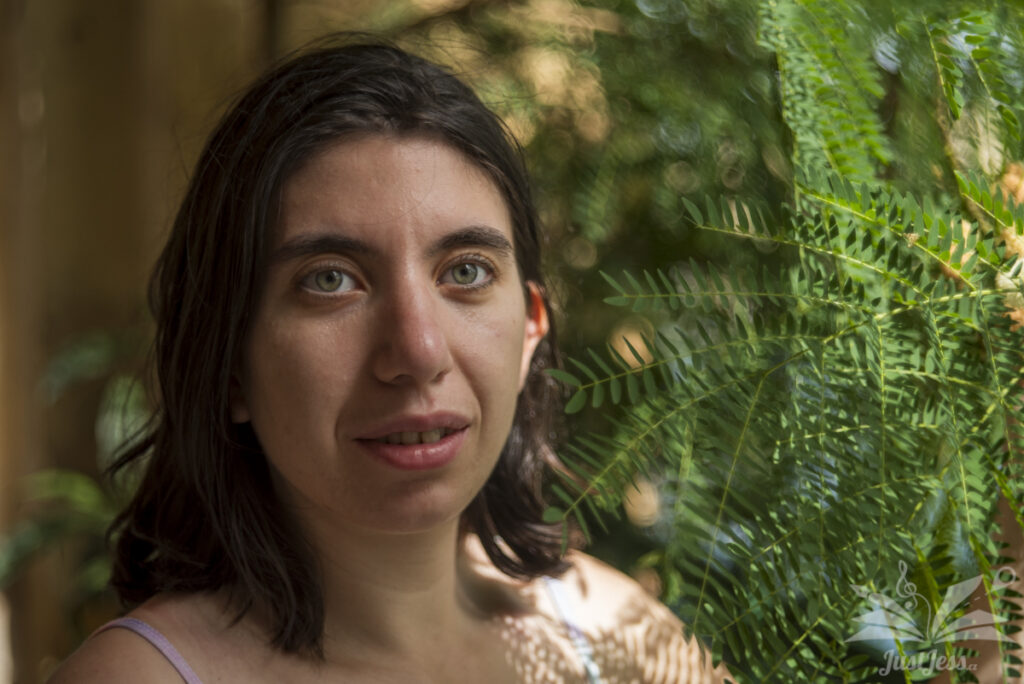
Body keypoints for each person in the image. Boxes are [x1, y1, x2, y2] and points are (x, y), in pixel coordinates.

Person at [49, 36, 734, 684]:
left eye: (465, 271)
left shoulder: (612, 636)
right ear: (227, 365)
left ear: (530, 331)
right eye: (330, 279)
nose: (417, 351)